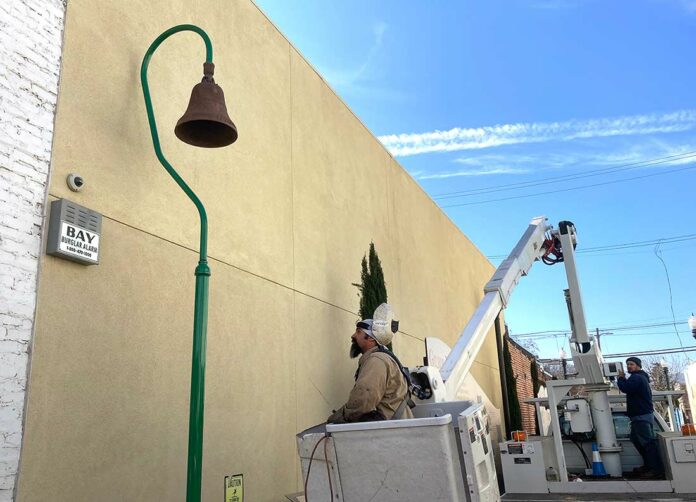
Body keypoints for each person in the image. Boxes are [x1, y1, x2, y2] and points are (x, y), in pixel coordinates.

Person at [327, 318, 414, 424]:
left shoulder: (376, 361)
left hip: (391, 433)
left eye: (358, 332)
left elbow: (363, 401)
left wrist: (339, 417)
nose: (353, 335)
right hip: (397, 429)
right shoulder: (380, 358)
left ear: (371, 338)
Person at [617, 356, 663, 477]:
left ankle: (655, 469)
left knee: (647, 443)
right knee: (637, 440)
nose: (629, 366)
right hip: (640, 415)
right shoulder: (640, 378)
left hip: (641, 415)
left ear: (638, 365)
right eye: (627, 364)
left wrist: (620, 378)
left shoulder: (637, 377)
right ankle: (649, 466)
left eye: (631, 364)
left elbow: (626, 388)